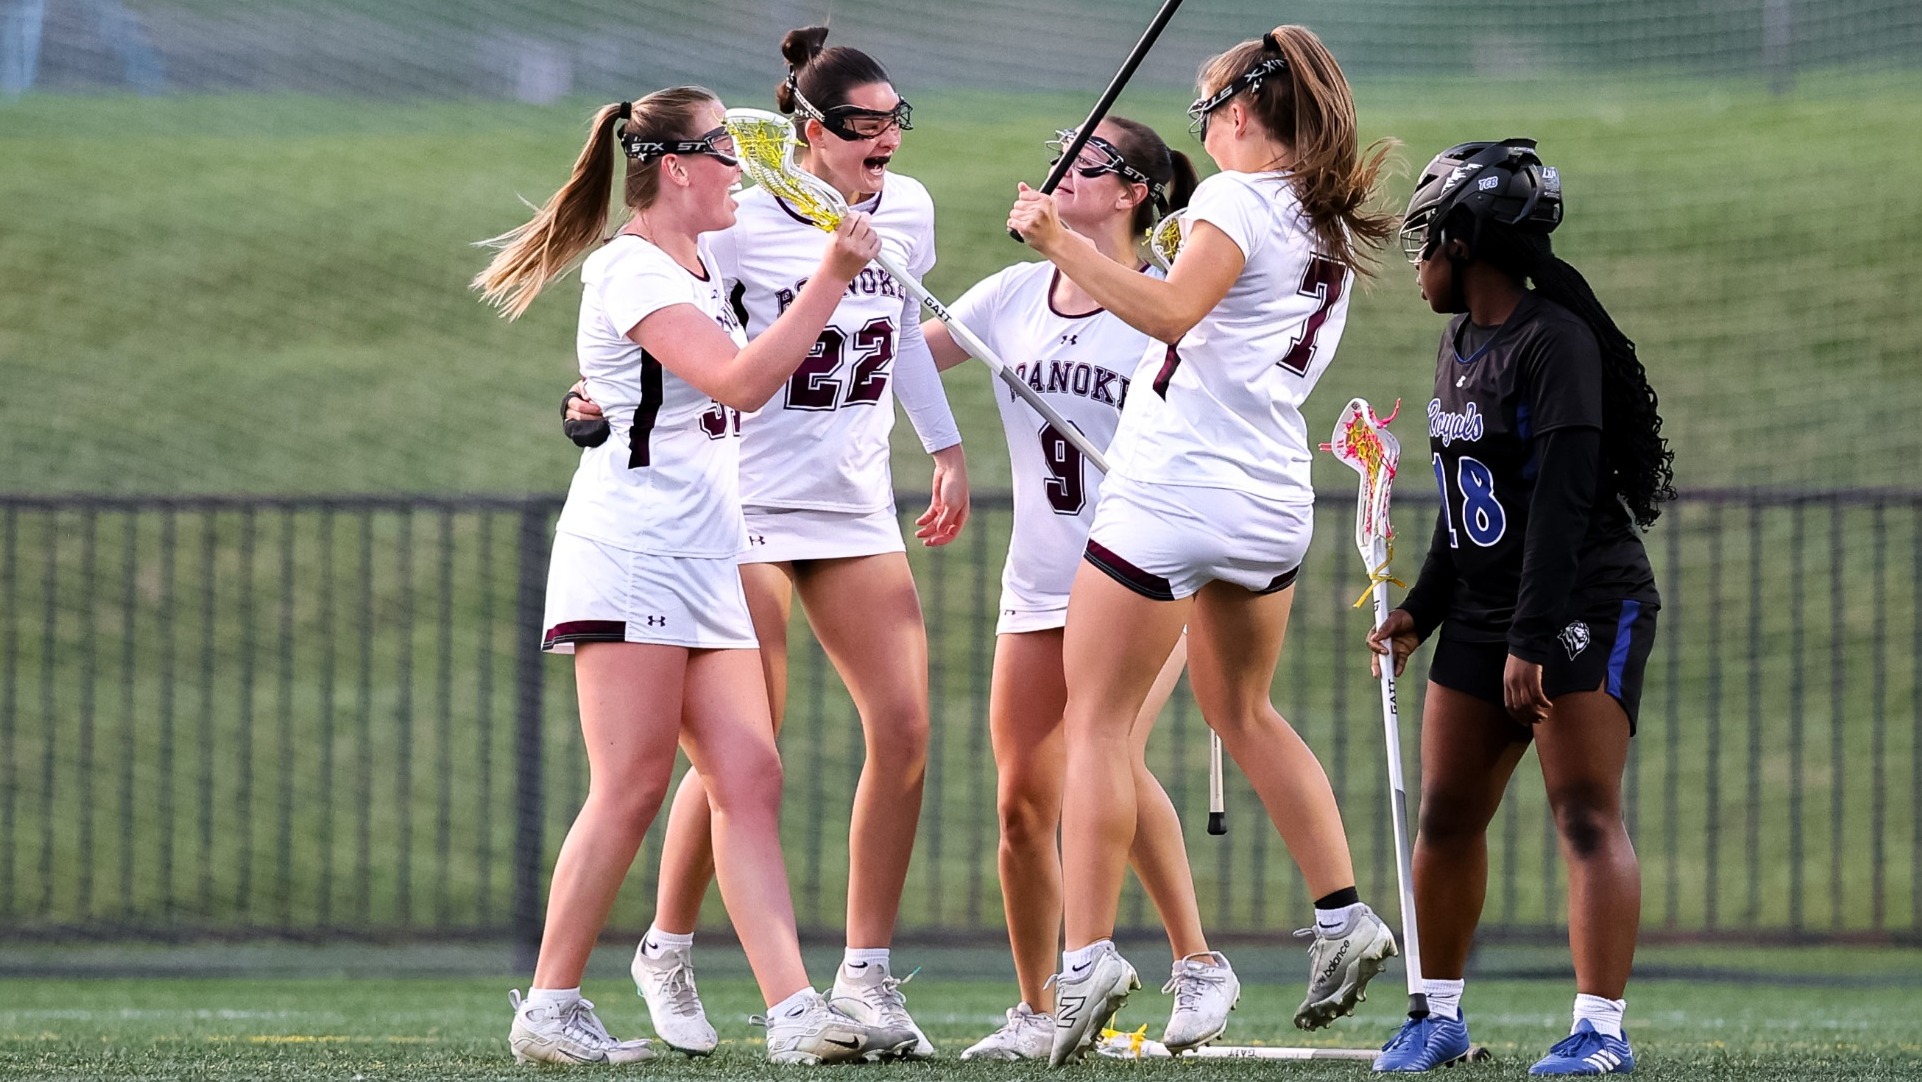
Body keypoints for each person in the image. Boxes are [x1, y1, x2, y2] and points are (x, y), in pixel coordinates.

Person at [471, 85, 914, 1066]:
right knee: (629, 785)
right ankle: (548, 1003)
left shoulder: (701, 258)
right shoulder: (630, 268)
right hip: (634, 551)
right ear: (673, 166)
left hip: (708, 556)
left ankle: (797, 1009)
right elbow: (741, 380)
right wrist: (833, 276)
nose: (738, 171)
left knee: (747, 776)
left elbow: (661, 387)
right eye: (723, 152)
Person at [561, 26, 964, 1059]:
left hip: (850, 495)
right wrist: (590, 398)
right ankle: (669, 941)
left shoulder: (902, 209)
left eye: (891, 121)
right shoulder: (730, 221)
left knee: (906, 727)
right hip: (737, 503)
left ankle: (863, 977)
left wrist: (946, 445)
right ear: (806, 129)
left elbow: (896, 323)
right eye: (862, 125)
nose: (883, 141)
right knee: (741, 748)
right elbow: (667, 345)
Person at [1005, 25, 1403, 1066]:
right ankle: (1342, 915)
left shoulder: (1233, 197)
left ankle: (1084, 956)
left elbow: (1173, 313)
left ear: (1235, 116)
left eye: (1206, 113)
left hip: (1175, 488)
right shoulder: (1316, 217)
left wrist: (1062, 245)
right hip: (1269, 499)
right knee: (1241, 709)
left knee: (1092, 724)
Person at [925, 118, 1238, 1061]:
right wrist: (944, 449)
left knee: (1107, 764)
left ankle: (1197, 964)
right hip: (1037, 579)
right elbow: (896, 352)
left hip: (1139, 576)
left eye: (1087, 163)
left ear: (1134, 191)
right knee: (1023, 800)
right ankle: (1034, 1009)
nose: (1062, 172)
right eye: (1059, 156)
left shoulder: (1157, 306)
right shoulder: (1012, 296)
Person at [1366, 139, 1672, 1076]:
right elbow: (1470, 504)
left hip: (1581, 602)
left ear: (1468, 240)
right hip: (1492, 609)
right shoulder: (1456, 341)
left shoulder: (1556, 344)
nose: (1417, 258)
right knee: (1447, 815)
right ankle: (1438, 1015)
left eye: (1426, 237)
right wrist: (1423, 607)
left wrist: (1532, 640)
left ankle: (1599, 1031)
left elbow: (1563, 504)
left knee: (1584, 811)